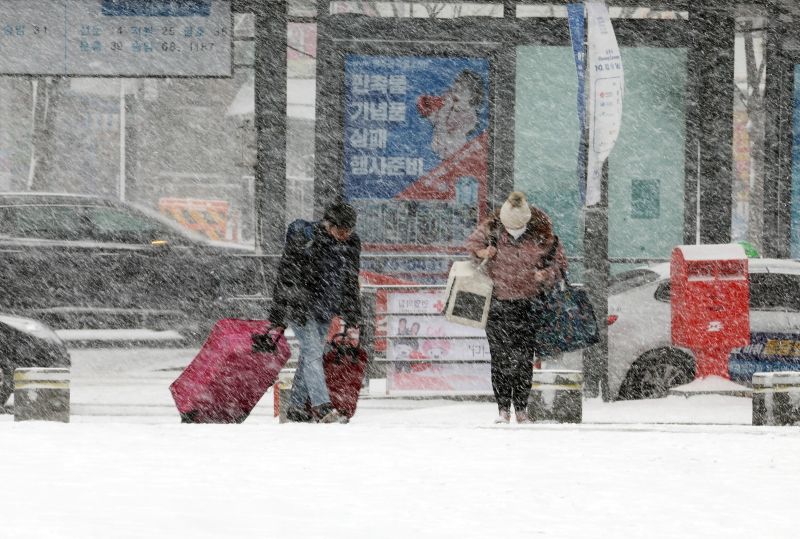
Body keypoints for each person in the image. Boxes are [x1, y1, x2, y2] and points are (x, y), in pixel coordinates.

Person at [465, 191, 567, 424]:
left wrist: (546, 274)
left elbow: (560, 264)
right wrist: (483, 252)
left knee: (523, 359)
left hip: (529, 304)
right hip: (497, 303)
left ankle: (521, 408)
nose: (513, 232)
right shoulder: (492, 227)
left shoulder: (543, 234)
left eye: (518, 228)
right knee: (499, 358)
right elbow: (471, 245)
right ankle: (503, 409)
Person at [269, 202, 362, 423]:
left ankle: (296, 407)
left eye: (349, 231)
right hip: (300, 307)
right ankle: (321, 406)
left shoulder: (350, 244)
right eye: (341, 230)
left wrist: (352, 316)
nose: (345, 235)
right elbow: (286, 278)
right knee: (312, 353)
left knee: (311, 354)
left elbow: (350, 282)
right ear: (329, 225)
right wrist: (279, 315)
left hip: (324, 308)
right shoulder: (306, 240)